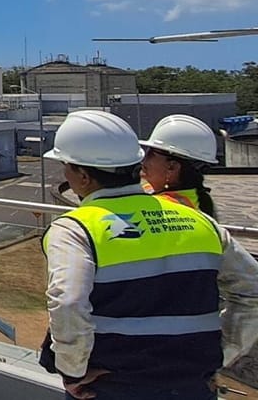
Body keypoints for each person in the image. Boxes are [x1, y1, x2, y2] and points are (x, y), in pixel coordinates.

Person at [39, 110, 258, 400]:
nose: (64, 174)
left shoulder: (75, 229)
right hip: (192, 385)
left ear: (82, 176)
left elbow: (68, 302)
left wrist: (73, 372)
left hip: (113, 386)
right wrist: (222, 354)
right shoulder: (201, 221)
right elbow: (252, 290)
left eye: (65, 166)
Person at [139, 114, 220, 216]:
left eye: (151, 153)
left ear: (172, 167)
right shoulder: (195, 197)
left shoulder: (170, 208)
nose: (144, 158)